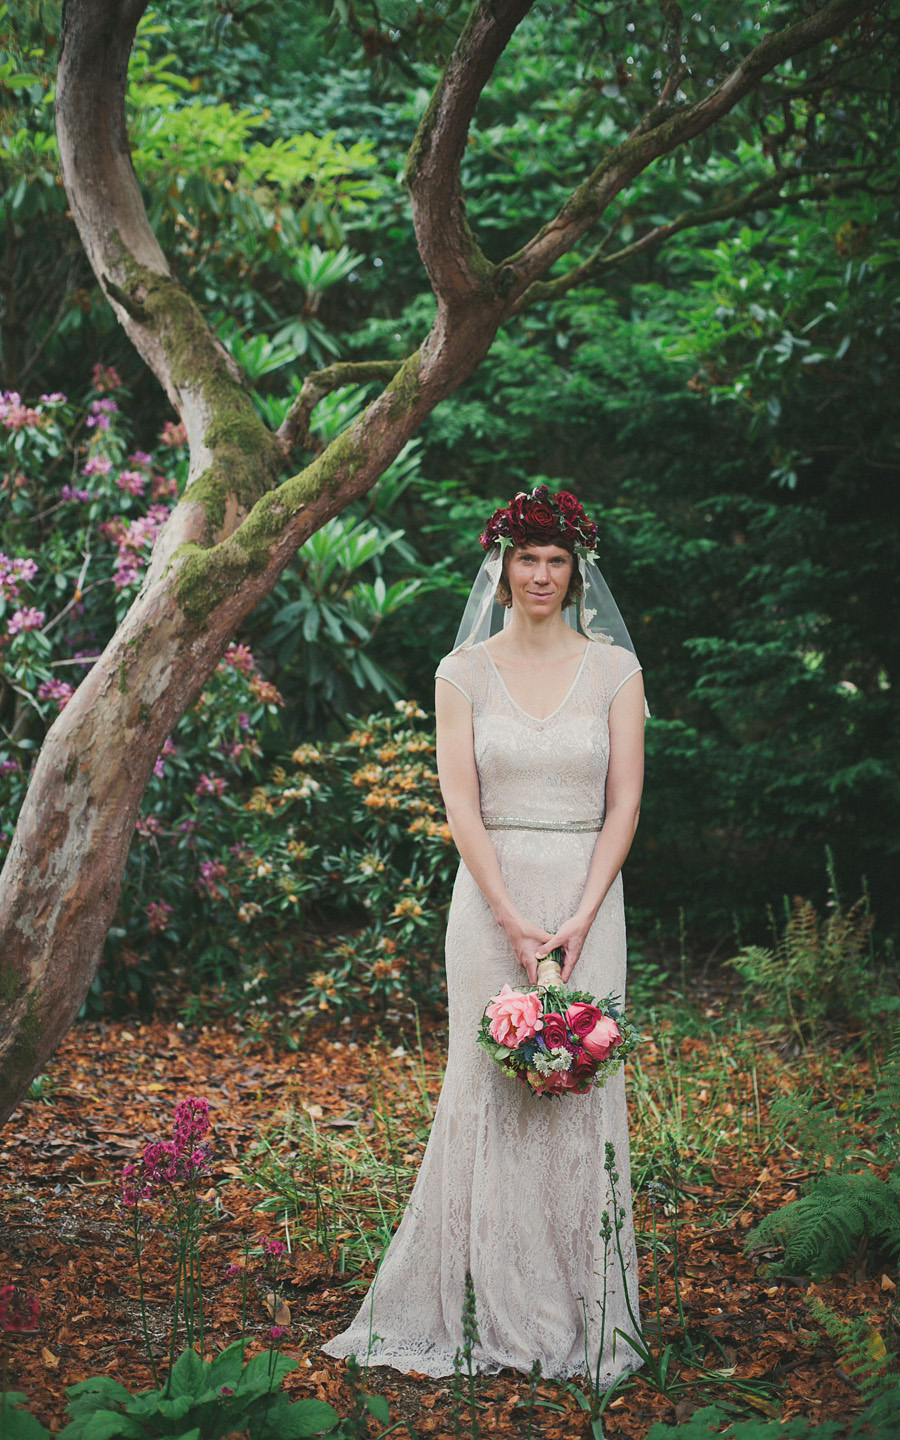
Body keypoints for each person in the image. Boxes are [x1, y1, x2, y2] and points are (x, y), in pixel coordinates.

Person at [322, 486, 647, 1383]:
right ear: (501, 569)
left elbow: (625, 802)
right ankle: (477, 1300)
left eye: (556, 561)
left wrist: (581, 913)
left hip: (589, 893)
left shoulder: (616, 671)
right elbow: (459, 802)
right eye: (526, 559)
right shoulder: (459, 672)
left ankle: (583, 1315)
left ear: (575, 572)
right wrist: (509, 916)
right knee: (490, 1085)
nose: (540, 575)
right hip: (489, 898)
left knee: (581, 1089)